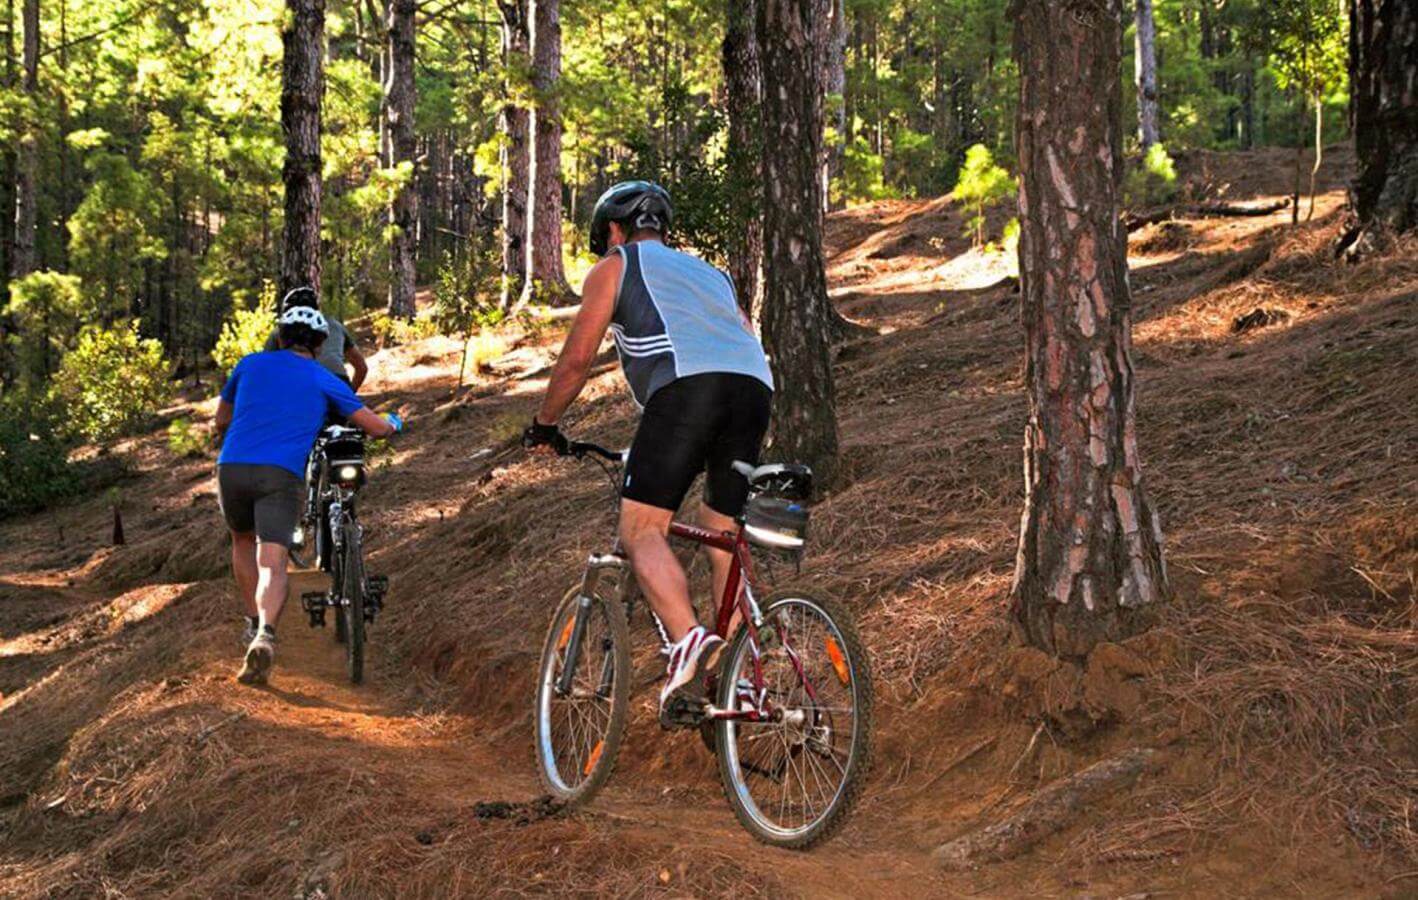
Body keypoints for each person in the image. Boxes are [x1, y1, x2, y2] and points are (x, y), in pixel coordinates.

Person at [522, 180, 774, 715]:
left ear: (614, 230)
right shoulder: (713, 274)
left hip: (688, 390)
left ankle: (689, 640)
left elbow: (576, 360)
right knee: (721, 530)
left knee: (642, 530)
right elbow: (742, 334)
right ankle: (737, 676)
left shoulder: (615, 266)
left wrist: (544, 424)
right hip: (754, 387)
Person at [215, 304, 402, 685]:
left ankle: (252, 625)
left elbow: (220, 420)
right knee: (273, 559)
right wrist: (394, 422)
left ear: (280, 337)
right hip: (280, 474)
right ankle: (266, 634)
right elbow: (375, 428)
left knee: (242, 540)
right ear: (319, 344)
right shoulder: (322, 378)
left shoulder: (249, 364)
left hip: (231, 467)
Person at [263, 286, 368, 389]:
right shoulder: (335, 325)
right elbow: (362, 368)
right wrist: (349, 396)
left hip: (301, 384)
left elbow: (265, 370)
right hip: (338, 381)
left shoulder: (280, 331)